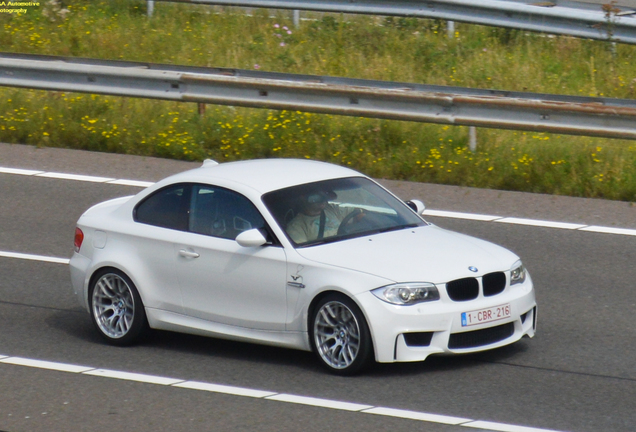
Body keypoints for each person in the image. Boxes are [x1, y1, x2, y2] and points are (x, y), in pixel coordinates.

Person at [286, 191, 356, 244]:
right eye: (317, 197)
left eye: (324, 196)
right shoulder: (296, 226)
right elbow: (302, 253)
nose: (323, 200)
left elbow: (359, 213)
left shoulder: (331, 209)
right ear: (303, 198)